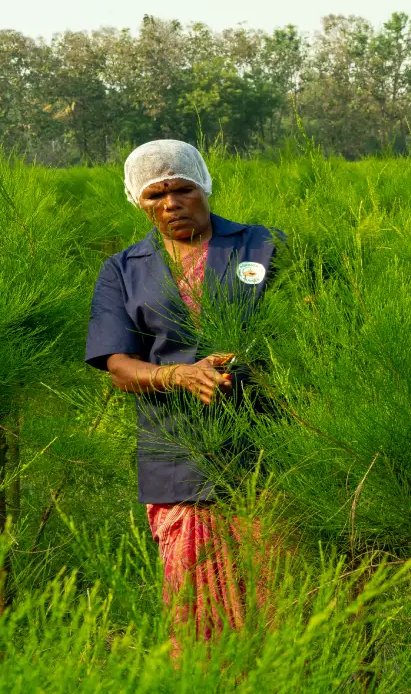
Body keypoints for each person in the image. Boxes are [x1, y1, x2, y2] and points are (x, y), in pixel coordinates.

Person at [84, 140, 281, 643]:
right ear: (138, 201)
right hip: (177, 455)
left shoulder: (262, 246)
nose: (171, 203)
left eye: (182, 189)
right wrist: (179, 375)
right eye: (156, 195)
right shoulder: (124, 269)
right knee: (196, 616)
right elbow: (118, 365)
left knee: (278, 606)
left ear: (204, 187)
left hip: (267, 449)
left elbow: (313, 329)